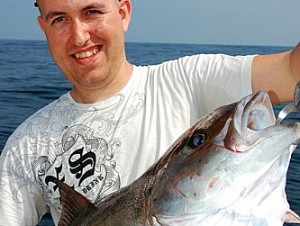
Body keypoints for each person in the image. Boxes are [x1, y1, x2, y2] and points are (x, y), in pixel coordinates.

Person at [0, 0, 299, 225]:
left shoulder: (187, 80)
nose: (79, 36)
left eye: (92, 11)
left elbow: (290, 71)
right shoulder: (25, 147)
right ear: (43, 27)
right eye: (60, 19)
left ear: (123, 13)